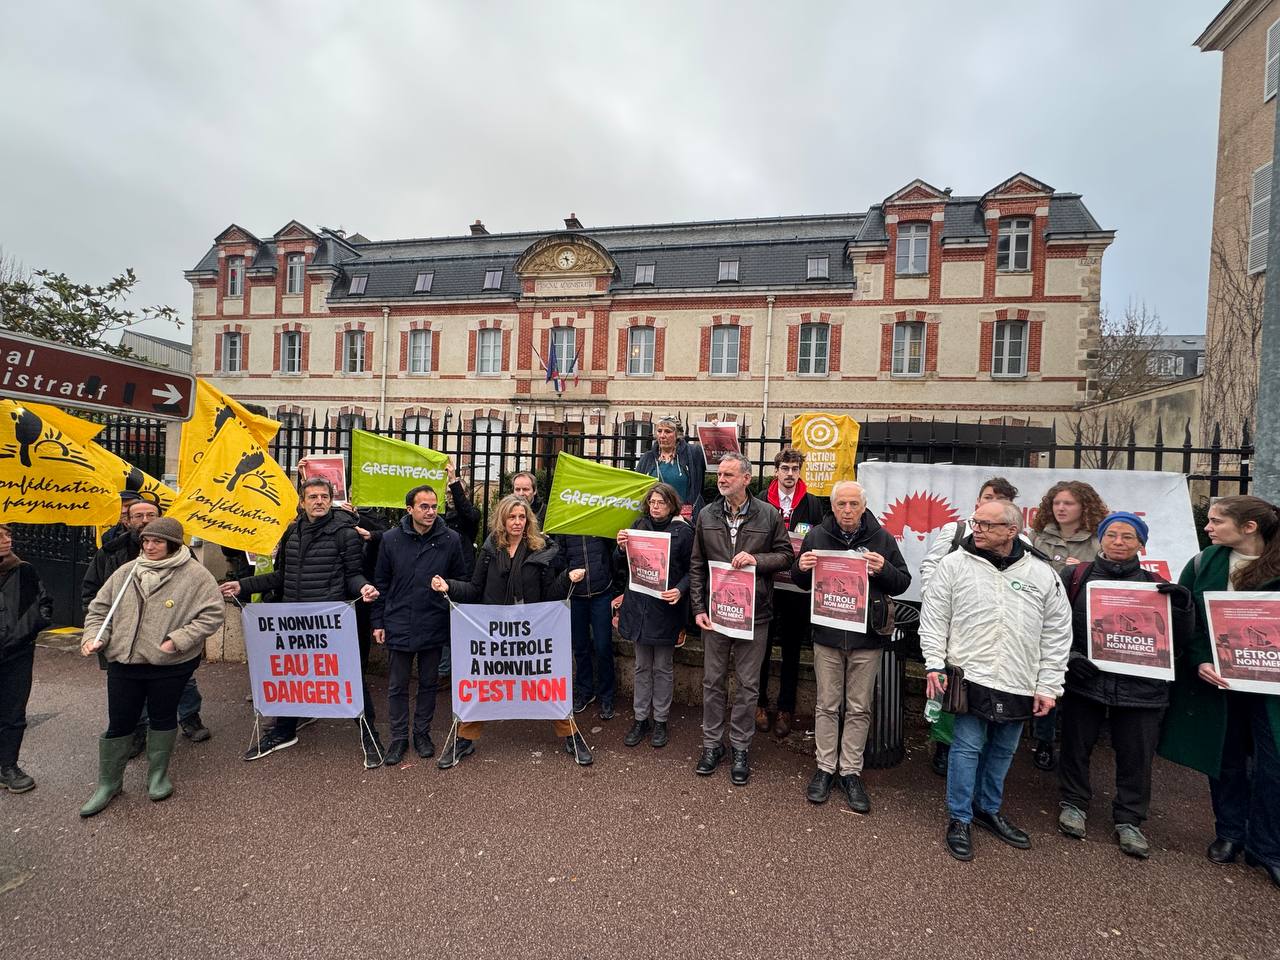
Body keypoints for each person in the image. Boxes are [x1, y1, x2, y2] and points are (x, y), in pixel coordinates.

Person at [920, 499, 1071, 861]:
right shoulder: (954, 565)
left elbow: (1057, 632)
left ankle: (988, 808)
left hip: (1020, 676)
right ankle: (959, 817)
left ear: (1012, 531)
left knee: (1003, 750)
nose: (978, 530)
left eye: (988, 524)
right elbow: (935, 617)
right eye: (976, 523)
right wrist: (933, 663)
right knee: (967, 746)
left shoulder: (1041, 573)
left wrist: (1049, 684)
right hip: (970, 673)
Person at [1055, 512, 1194, 859]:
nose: (1119, 542)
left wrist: (1182, 607)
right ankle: (1073, 802)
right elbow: (1053, 623)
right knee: (1075, 744)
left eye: (1128, 537)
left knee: (1137, 754)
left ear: (1141, 545)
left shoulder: (1156, 584)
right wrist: (1070, 657)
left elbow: (1179, 641)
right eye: (1112, 535)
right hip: (1085, 679)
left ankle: (1129, 819)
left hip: (1141, 687)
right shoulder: (1076, 576)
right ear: (1100, 539)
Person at [1159, 495, 1280, 889]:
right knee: (1224, 757)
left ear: (1249, 527)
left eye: (1216, 522)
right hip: (1218, 680)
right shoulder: (1204, 563)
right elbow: (1186, 618)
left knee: (1273, 764)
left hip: (1271, 686)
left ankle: (1268, 846)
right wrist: (1198, 660)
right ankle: (1230, 832)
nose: (1208, 528)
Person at [222, 477, 381, 765]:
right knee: (293, 677)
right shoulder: (291, 532)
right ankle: (284, 730)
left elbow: (353, 574)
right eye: (313, 497)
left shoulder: (344, 534)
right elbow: (281, 576)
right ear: (302, 501)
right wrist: (243, 586)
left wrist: (363, 588)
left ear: (331, 499)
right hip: (294, 620)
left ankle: (369, 736)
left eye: (324, 496)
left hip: (329, 623)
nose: (319, 501)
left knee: (349, 677)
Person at [79, 518, 223, 816]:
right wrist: (95, 636)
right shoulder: (126, 571)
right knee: (119, 721)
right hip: (124, 660)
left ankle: (157, 776)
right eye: (145, 541)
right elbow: (99, 608)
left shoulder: (195, 575)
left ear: (173, 543)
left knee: (162, 717)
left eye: (157, 541)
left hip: (168, 663)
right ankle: (109, 783)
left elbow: (212, 613)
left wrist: (178, 639)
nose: (149, 546)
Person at [431, 495, 588, 767]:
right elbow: (475, 589)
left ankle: (570, 735)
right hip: (496, 634)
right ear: (502, 519)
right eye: (512, 517)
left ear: (529, 520)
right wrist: (449, 587)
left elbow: (550, 594)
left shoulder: (542, 549)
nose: (517, 522)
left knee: (546, 682)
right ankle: (464, 739)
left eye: (522, 517)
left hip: (531, 632)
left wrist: (567, 578)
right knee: (482, 683)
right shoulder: (491, 549)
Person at [791, 481, 910, 813]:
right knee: (827, 705)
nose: (847, 510)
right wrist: (800, 568)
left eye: (853, 505)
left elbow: (903, 582)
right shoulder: (817, 536)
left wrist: (883, 569)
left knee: (858, 707)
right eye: (841, 504)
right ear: (833, 507)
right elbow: (801, 579)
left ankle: (851, 771)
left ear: (863, 506)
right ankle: (825, 768)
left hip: (866, 637)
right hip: (828, 634)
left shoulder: (881, 538)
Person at [688, 453, 793, 785]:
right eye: (719, 474)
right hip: (716, 614)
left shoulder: (769, 514)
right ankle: (712, 745)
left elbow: (787, 555)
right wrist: (698, 608)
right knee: (712, 682)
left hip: (755, 614)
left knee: (748, 686)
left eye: (729, 474)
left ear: (747, 479)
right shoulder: (706, 514)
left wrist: (757, 560)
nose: (721, 479)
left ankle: (741, 747)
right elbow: (696, 566)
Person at [82, 497, 211, 752]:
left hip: (168, 645)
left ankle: (188, 718)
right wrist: (99, 632)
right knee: (130, 695)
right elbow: (94, 597)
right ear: (127, 520)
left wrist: (181, 637)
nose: (145, 521)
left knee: (182, 684)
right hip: (125, 642)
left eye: (150, 515)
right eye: (138, 516)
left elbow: (204, 605)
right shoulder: (111, 553)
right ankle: (138, 732)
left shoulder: (184, 557)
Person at [918, 477, 1020, 776]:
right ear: (977, 502)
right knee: (950, 685)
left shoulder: (1021, 541)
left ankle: (976, 750)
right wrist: (936, 601)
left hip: (992, 628)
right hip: (956, 623)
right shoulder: (957, 530)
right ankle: (944, 744)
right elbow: (930, 567)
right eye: (987, 497)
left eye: (999, 499)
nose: (991, 504)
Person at [372, 485, 465, 765]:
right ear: (409, 509)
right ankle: (398, 738)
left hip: (433, 621)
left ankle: (422, 734)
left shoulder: (450, 539)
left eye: (434, 506)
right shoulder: (390, 539)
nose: (430, 512)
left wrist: (448, 586)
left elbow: (462, 578)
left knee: (428, 683)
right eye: (424, 506)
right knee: (397, 685)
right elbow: (381, 583)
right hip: (398, 620)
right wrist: (378, 621)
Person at [1028, 480, 1108, 771]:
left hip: (1081, 620)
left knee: (1074, 682)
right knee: (1044, 676)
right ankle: (1044, 741)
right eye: (1057, 503)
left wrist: (1085, 569)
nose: (1061, 508)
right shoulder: (1038, 537)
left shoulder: (1099, 540)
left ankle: (1075, 744)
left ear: (1084, 506)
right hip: (1043, 616)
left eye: (1068, 503)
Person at [613, 483, 693, 749]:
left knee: (663, 667)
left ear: (672, 505)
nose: (655, 507)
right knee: (641, 666)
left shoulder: (683, 532)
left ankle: (660, 720)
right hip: (639, 607)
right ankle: (640, 718)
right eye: (652, 502)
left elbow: (695, 569)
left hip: (665, 609)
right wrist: (621, 548)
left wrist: (680, 590)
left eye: (661, 502)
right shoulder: (639, 525)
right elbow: (621, 565)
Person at [757, 446, 825, 738]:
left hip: (796, 587)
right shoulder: (761, 500)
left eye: (795, 469)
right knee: (760, 645)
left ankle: (786, 707)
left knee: (792, 648)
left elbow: (819, 539)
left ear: (800, 471)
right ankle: (759, 703)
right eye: (784, 469)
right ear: (776, 471)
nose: (789, 474)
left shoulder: (812, 503)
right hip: (767, 584)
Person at [0, 525, 52, 793]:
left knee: (13, 712)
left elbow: (44, 604)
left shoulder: (24, 570)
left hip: (16, 655)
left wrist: (23, 633)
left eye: (8, 535)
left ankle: (8, 766)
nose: (7, 540)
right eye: (0, 536)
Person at [439, 461, 482, 679]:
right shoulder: (438, 516)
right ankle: (445, 672)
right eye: (446, 491)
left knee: (463, 623)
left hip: (464, 576)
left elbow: (467, 513)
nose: (449, 495)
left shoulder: (470, 516)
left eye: (454, 492)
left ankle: (465, 668)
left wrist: (454, 482)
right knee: (443, 624)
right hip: (442, 575)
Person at [636, 416, 708, 520]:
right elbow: (637, 489)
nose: (662, 435)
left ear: (677, 434)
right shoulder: (647, 458)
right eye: (659, 431)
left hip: (684, 519)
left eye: (667, 431)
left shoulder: (693, 453)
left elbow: (718, 460)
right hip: (654, 519)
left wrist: (716, 430)